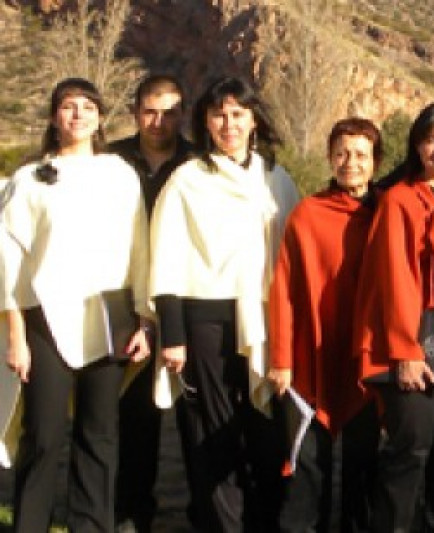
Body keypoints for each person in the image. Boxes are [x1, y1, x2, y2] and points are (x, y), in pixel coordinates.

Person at [0, 77, 152, 532]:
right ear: (54, 117)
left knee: (99, 435)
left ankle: (91, 525)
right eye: (69, 106)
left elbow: (139, 249)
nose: (78, 114)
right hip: (43, 320)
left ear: (100, 117)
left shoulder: (120, 174)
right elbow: (9, 261)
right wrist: (15, 335)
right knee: (43, 435)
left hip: (108, 321)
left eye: (88, 106)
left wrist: (144, 319)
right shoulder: (29, 180)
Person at [150, 76, 301, 531]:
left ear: (254, 119)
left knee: (265, 432)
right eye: (219, 114)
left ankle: (263, 521)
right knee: (213, 433)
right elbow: (166, 258)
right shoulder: (187, 180)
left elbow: (294, 257)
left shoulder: (277, 180)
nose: (228, 123)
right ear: (205, 122)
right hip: (206, 319)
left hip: (265, 317)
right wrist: (172, 336)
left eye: (238, 114)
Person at [351, 103, 434, 532]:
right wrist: (405, 351)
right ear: (416, 145)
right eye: (430, 140)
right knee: (411, 447)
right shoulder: (400, 200)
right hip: (407, 340)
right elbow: (394, 279)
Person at [267, 118, 384, 532]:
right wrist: (281, 359)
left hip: (368, 356)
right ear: (330, 158)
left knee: (363, 460)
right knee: (310, 460)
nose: (350, 162)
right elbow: (284, 288)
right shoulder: (308, 214)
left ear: (375, 163)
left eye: (360, 155)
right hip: (311, 351)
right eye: (342, 153)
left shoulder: (386, 214)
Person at [107, 73, 194, 533]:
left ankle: (203, 513)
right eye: (150, 111)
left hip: (185, 302)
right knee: (133, 417)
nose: (159, 121)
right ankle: (132, 513)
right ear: (136, 111)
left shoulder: (199, 163)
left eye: (170, 111)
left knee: (191, 417)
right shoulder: (111, 161)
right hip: (127, 304)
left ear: (183, 113)